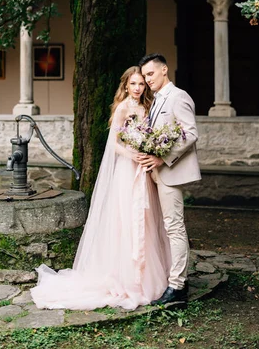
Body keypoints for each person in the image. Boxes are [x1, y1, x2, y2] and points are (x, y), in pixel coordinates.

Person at [30, 66, 171, 311]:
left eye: (141, 84)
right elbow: (114, 144)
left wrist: (149, 150)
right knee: (126, 220)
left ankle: (147, 275)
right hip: (127, 170)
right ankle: (126, 277)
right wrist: (132, 154)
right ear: (125, 85)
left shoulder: (146, 107)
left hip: (145, 171)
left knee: (146, 219)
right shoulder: (122, 108)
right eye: (133, 84)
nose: (138, 88)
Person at [138, 53, 201, 306]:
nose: (147, 80)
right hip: (157, 174)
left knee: (174, 228)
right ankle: (171, 278)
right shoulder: (155, 101)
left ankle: (178, 288)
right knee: (166, 227)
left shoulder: (178, 96)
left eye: (150, 74)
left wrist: (163, 160)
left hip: (171, 174)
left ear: (164, 70)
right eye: (144, 76)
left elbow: (191, 133)